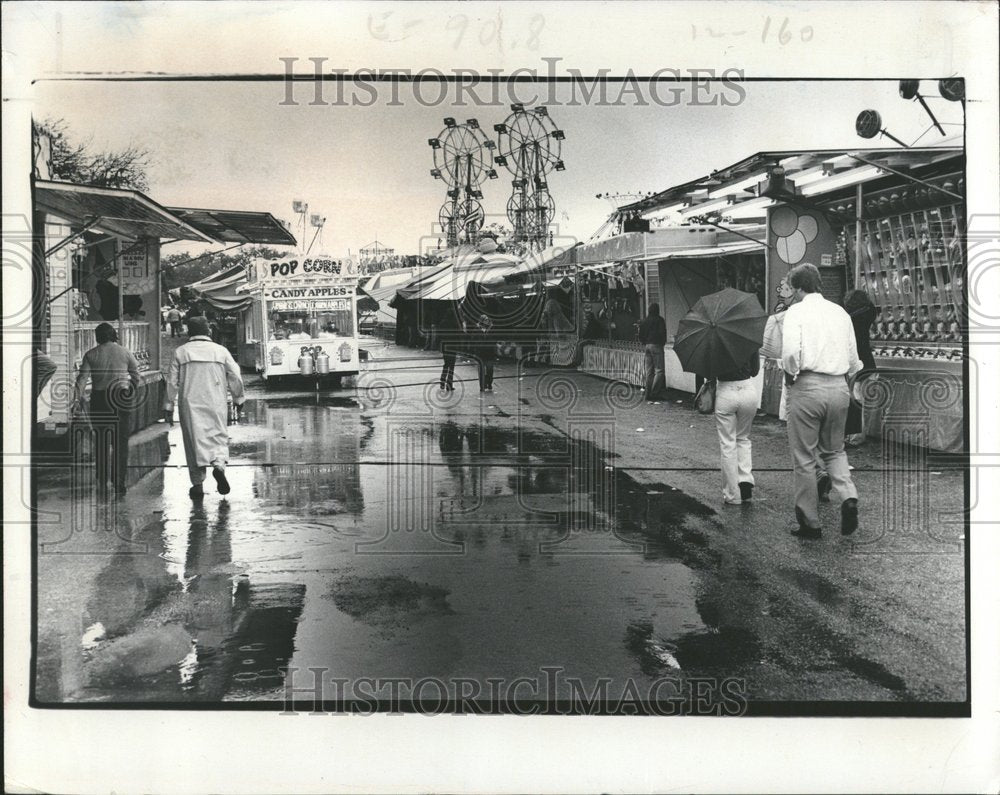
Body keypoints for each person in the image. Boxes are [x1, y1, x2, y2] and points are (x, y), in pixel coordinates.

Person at [781, 263, 863, 538]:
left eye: (791, 287)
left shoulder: (796, 312)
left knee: (804, 457)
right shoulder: (840, 312)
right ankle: (848, 494)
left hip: (807, 386)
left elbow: (791, 352)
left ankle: (810, 522)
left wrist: (791, 374)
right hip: (839, 387)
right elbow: (854, 360)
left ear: (798, 287)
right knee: (835, 450)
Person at [164, 316, 246, 499]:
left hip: (189, 403)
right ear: (208, 331)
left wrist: (168, 406)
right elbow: (235, 376)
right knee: (218, 436)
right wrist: (239, 399)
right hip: (215, 402)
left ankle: (198, 484)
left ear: (189, 332)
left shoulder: (181, 352)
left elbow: (171, 382)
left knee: (193, 442)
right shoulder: (221, 351)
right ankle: (218, 465)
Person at [73, 322, 141, 498]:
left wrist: (77, 399)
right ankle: (119, 482)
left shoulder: (91, 354)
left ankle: (102, 478)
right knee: (120, 441)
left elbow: (82, 379)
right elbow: (136, 375)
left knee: (101, 440)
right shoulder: (125, 352)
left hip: (100, 398)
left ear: (97, 337)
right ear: (113, 335)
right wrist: (130, 389)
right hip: (120, 396)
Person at [714, 349, 761, 505]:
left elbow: (709, 372)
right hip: (748, 391)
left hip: (726, 391)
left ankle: (732, 495)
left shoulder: (714, 341)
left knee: (728, 443)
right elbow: (754, 371)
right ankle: (745, 480)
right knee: (743, 438)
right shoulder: (748, 339)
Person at [843, 289, 878, 446]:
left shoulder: (849, 321)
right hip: (869, 363)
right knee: (861, 400)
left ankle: (856, 435)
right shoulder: (869, 314)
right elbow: (871, 307)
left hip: (857, 364)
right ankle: (860, 433)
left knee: (856, 401)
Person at [638, 302, 667, 403]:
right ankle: (654, 393)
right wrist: (662, 343)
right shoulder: (660, 320)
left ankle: (647, 393)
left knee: (649, 371)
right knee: (659, 370)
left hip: (647, 346)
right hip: (657, 345)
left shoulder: (644, 321)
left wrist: (645, 342)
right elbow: (662, 333)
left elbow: (640, 335)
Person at [437, 305, 460, 391]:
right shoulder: (455, 323)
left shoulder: (442, 323)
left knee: (446, 364)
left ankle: (442, 382)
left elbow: (439, 336)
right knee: (452, 366)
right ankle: (449, 384)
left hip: (445, 347)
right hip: (453, 347)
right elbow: (458, 336)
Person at [474, 313, 496, 393]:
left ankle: (489, 382)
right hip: (480, 353)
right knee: (481, 371)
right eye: (485, 320)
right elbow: (474, 340)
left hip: (489, 352)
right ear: (482, 321)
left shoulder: (491, 329)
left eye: (488, 320)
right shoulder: (477, 330)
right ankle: (482, 386)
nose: (487, 321)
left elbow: (495, 339)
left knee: (490, 370)